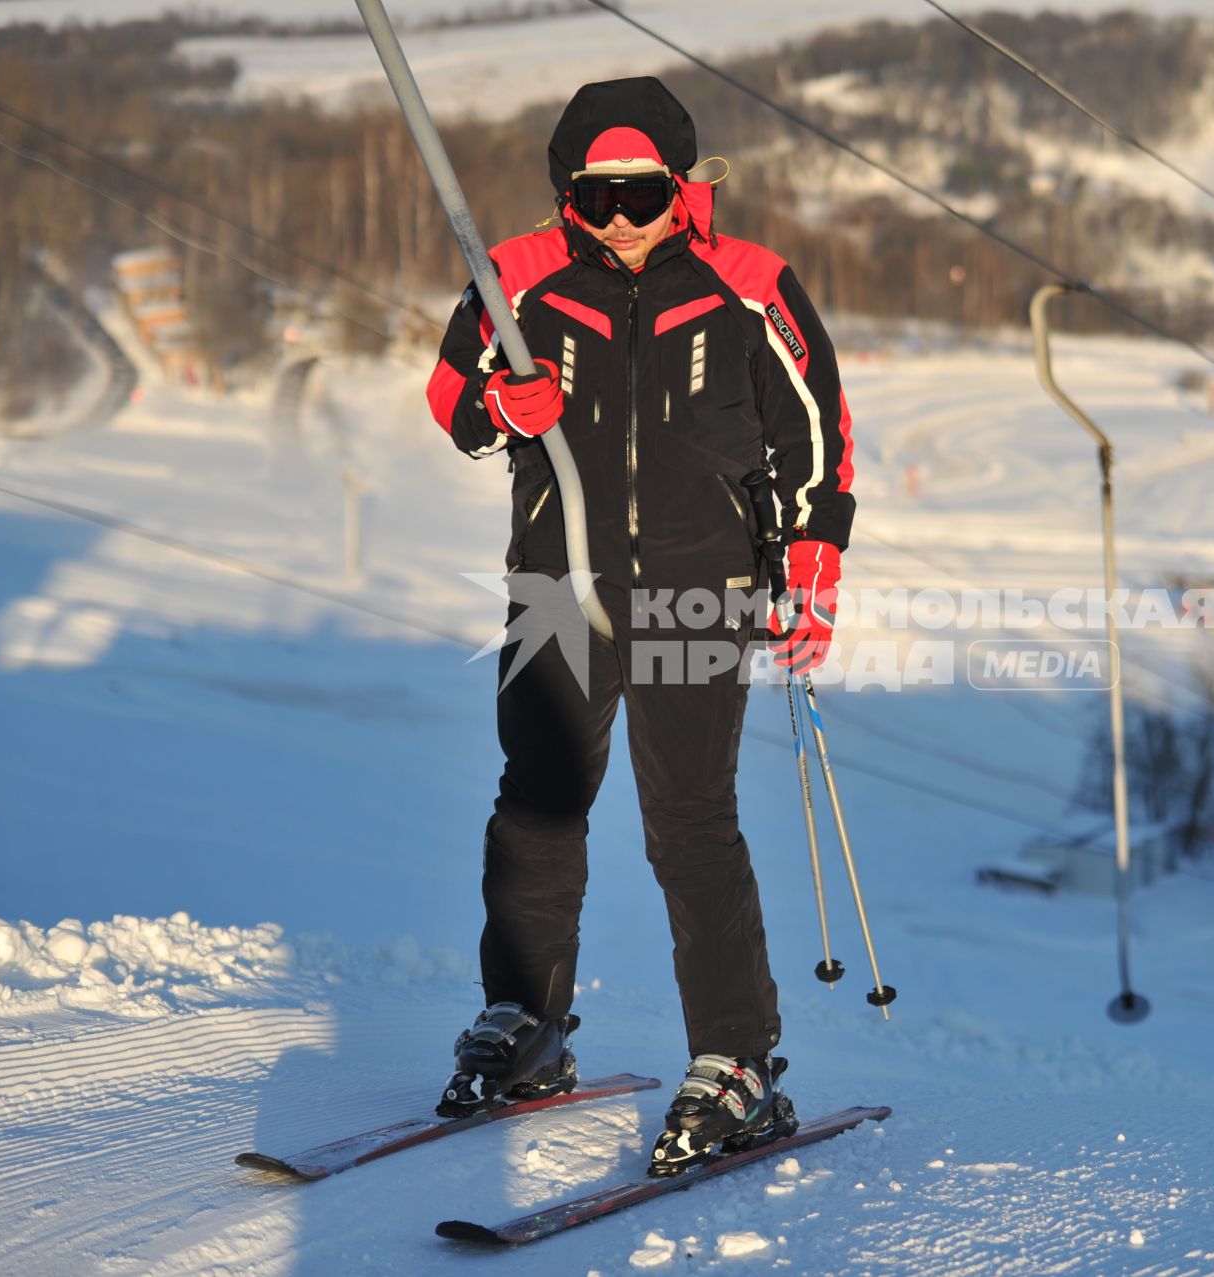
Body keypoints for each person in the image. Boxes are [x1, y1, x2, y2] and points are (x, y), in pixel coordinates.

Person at [421, 76, 855, 1173]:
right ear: (569, 191)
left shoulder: (746, 284)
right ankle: (526, 1024)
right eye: (597, 194)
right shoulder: (514, 275)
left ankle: (738, 1061)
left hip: (695, 587)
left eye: (642, 190)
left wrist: (812, 549)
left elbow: (817, 426)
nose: (619, 216)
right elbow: (451, 395)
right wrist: (497, 407)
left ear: (683, 181)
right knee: (539, 802)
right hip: (557, 582)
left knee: (690, 818)